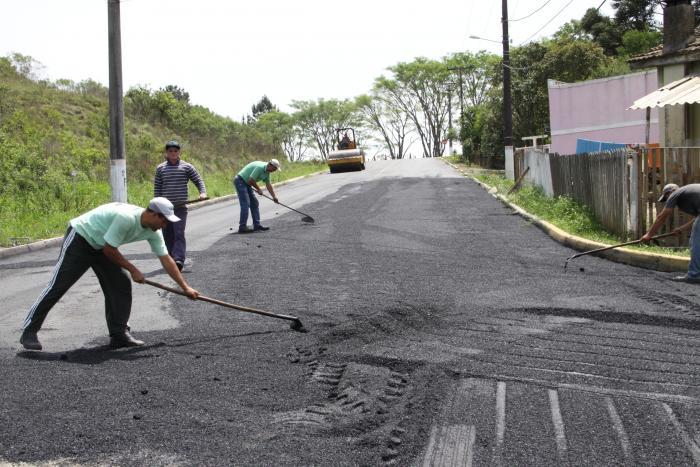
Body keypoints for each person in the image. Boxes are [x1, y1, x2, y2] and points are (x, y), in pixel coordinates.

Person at [19, 198, 200, 351]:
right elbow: (110, 250)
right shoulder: (126, 218)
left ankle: (119, 334)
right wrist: (134, 269)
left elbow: (166, 259)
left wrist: (185, 288)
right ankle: (29, 331)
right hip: (81, 239)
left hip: (103, 246)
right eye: (164, 220)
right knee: (58, 285)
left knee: (120, 284)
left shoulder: (154, 230)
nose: (165, 225)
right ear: (153, 214)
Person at [154, 140, 207, 271]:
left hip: (180, 208)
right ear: (166, 153)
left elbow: (198, 180)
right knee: (167, 234)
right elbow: (157, 188)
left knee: (178, 233)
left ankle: (178, 259)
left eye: (175, 151)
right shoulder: (160, 168)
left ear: (179, 152)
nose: (173, 153)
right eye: (170, 151)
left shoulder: (186, 167)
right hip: (165, 208)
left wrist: (202, 192)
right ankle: (171, 259)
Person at [641, 182, 700, 283]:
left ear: (670, 192)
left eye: (666, 197)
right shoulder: (688, 192)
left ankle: (694, 275)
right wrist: (681, 228)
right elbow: (697, 219)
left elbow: (662, 217)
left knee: (696, 243)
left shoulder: (675, 194)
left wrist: (649, 234)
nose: (667, 200)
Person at [234, 159, 281, 234]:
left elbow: (268, 185)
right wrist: (258, 189)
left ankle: (257, 225)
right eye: (274, 169)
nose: (274, 171)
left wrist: (274, 197)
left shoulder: (267, 172)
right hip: (240, 181)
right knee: (246, 204)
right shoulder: (260, 167)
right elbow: (251, 180)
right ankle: (242, 227)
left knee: (254, 203)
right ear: (270, 165)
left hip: (247, 183)